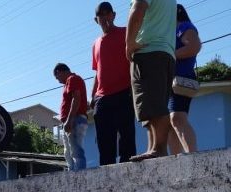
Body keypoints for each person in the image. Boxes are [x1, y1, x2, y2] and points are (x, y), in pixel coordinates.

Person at [126, 0, 177, 161]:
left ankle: (159, 149)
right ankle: (154, 148)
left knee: (152, 102)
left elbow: (138, 9)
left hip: (149, 51)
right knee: (152, 104)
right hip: (165, 53)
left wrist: (129, 43)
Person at [91, 1, 137, 165]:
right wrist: (93, 97)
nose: (104, 18)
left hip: (124, 92)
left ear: (114, 15)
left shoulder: (126, 33)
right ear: (96, 20)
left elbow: (134, 59)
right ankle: (106, 175)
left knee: (126, 138)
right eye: (100, 15)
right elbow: (98, 71)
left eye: (107, 13)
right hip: (102, 98)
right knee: (104, 142)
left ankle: (129, 173)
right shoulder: (95, 44)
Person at [167, 3, 201, 154]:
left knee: (177, 118)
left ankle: (192, 156)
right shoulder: (172, 31)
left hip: (181, 79)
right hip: (170, 81)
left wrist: (170, 55)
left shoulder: (184, 27)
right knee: (170, 123)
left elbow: (194, 46)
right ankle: (176, 161)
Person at [53, 63, 88, 171]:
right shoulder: (69, 82)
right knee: (68, 152)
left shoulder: (73, 79)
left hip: (75, 119)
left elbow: (76, 98)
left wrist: (70, 120)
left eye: (57, 77)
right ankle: (72, 174)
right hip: (71, 120)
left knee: (76, 150)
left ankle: (80, 175)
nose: (58, 81)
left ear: (59, 72)